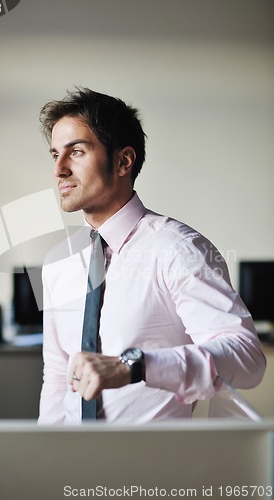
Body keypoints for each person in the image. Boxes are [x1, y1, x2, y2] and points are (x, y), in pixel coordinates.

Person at [38, 88, 266, 424]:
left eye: (77, 152)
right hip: (69, 463)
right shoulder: (58, 262)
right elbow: (59, 374)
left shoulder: (178, 249)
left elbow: (247, 358)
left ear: (123, 161)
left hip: (155, 467)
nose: (59, 169)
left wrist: (136, 365)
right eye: (55, 154)